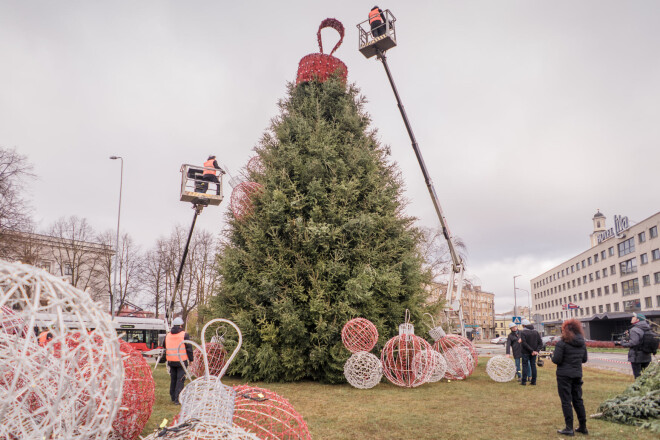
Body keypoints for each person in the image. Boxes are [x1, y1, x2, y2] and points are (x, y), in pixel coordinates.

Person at [552, 319, 588, 436]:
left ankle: (569, 427)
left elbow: (556, 360)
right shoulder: (581, 343)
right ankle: (583, 426)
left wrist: (553, 355)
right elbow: (584, 359)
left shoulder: (562, 343)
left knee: (566, 401)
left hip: (564, 375)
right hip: (577, 374)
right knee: (578, 400)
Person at [164, 317, 194, 405]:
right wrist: (191, 360)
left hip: (171, 361)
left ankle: (173, 397)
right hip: (181, 361)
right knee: (180, 379)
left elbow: (164, 345)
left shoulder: (168, 335)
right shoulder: (184, 335)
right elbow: (189, 348)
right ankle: (178, 399)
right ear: (181, 325)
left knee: (173, 379)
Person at [616, 312, 654, 378]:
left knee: (638, 376)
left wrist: (622, 343)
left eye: (634, 317)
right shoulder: (648, 328)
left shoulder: (634, 330)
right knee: (646, 376)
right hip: (647, 355)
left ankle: (639, 388)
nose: (632, 318)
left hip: (636, 356)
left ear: (637, 320)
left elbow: (634, 343)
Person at [520, 318, 543, 386]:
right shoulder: (536, 332)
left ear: (524, 325)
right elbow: (540, 343)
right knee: (533, 366)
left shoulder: (523, 332)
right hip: (534, 353)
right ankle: (534, 381)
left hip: (525, 352)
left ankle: (524, 381)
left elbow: (524, 343)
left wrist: (532, 351)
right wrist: (536, 351)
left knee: (525, 366)